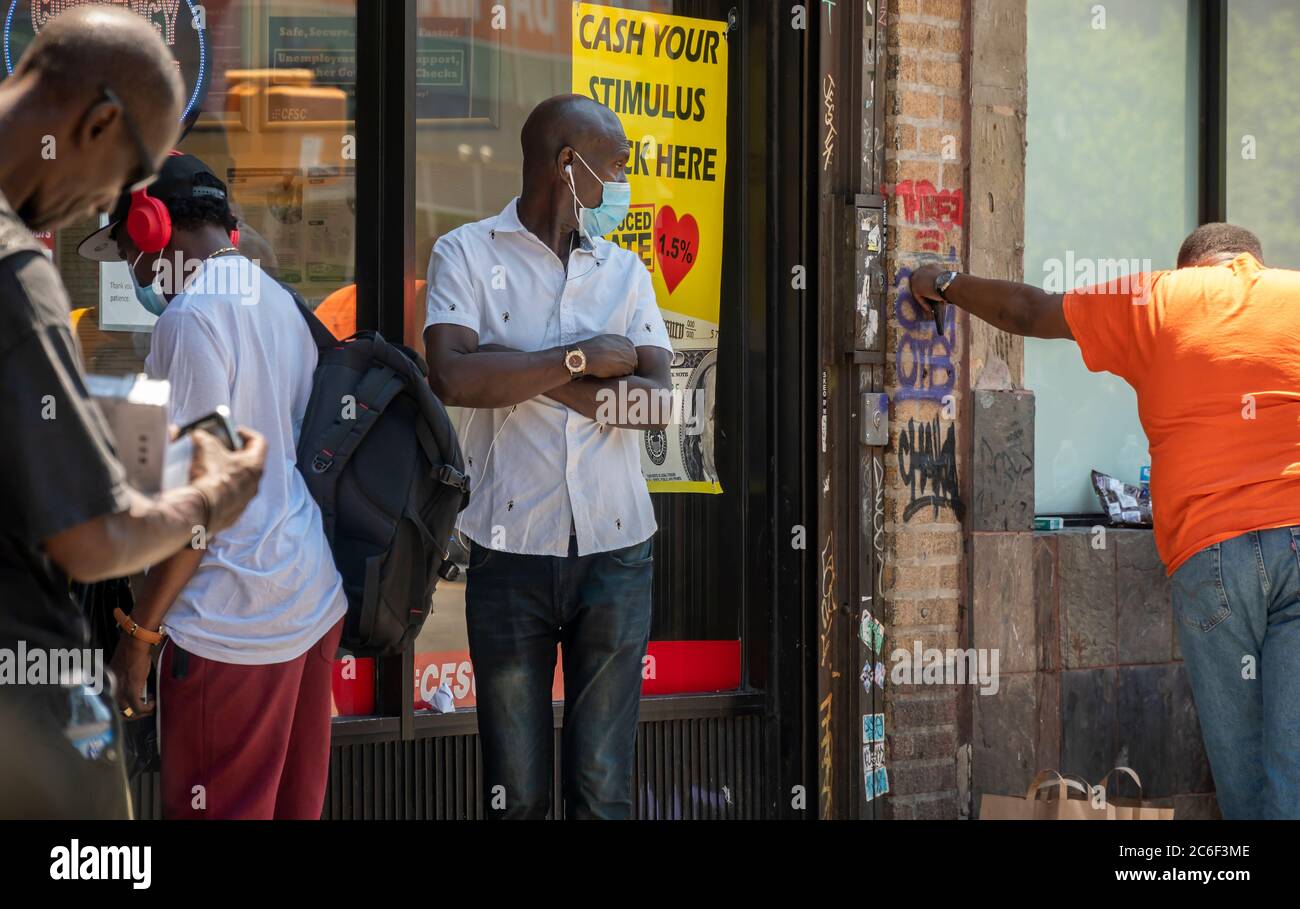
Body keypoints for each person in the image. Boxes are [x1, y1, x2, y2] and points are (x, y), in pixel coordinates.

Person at [909, 223, 1300, 819]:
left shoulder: (1158, 298)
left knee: (1244, 777)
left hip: (1210, 549)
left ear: (1190, 266)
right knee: (1292, 771)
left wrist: (942, 282)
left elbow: (1026, 308)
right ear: (1253, 262)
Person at [0, 7, 267, 819]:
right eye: (120, 178)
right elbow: (92, 541)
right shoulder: (16, 273)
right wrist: (213, 493)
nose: (98, 205)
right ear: (100, 120)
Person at [76, 153, 348, 820]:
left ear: (150, 229)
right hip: (310, 601)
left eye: (127, 253)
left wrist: (139, 636)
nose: (133, 274)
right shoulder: (280, 302)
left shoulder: (191, 319)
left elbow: (203, 505)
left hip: (236, 623)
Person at [423, 94, 673, 819]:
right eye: (616, 168)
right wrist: (581, 360)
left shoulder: (624, 272)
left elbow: (657, 401)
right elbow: (454, 377)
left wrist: (527, 373)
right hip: (509, 551)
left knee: (602, 789)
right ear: (569, 165)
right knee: (517, 790)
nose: (623, 185)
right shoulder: (466, 253)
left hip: (618, 551)